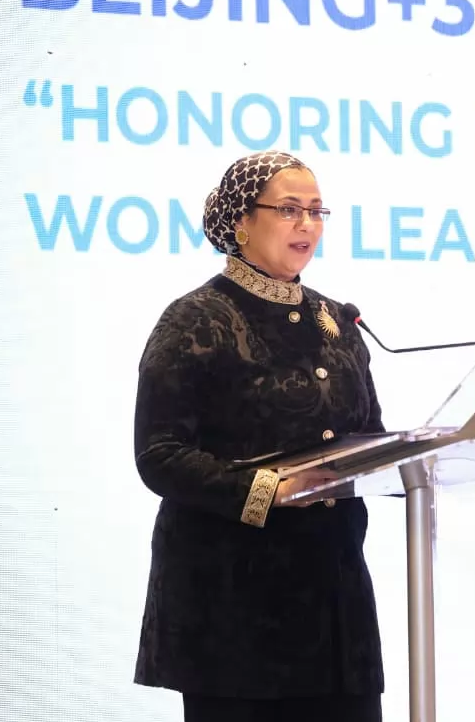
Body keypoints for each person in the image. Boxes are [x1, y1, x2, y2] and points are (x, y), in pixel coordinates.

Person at [133, 150, 386, 722]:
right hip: (233, 606)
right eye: (289, 209)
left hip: (334, 602)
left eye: (317, 211)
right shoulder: (196, 318)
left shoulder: (338, 322)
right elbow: (159, 454)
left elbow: (368, 436)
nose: (307, 224)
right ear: (242, 221)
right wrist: (271, 489)